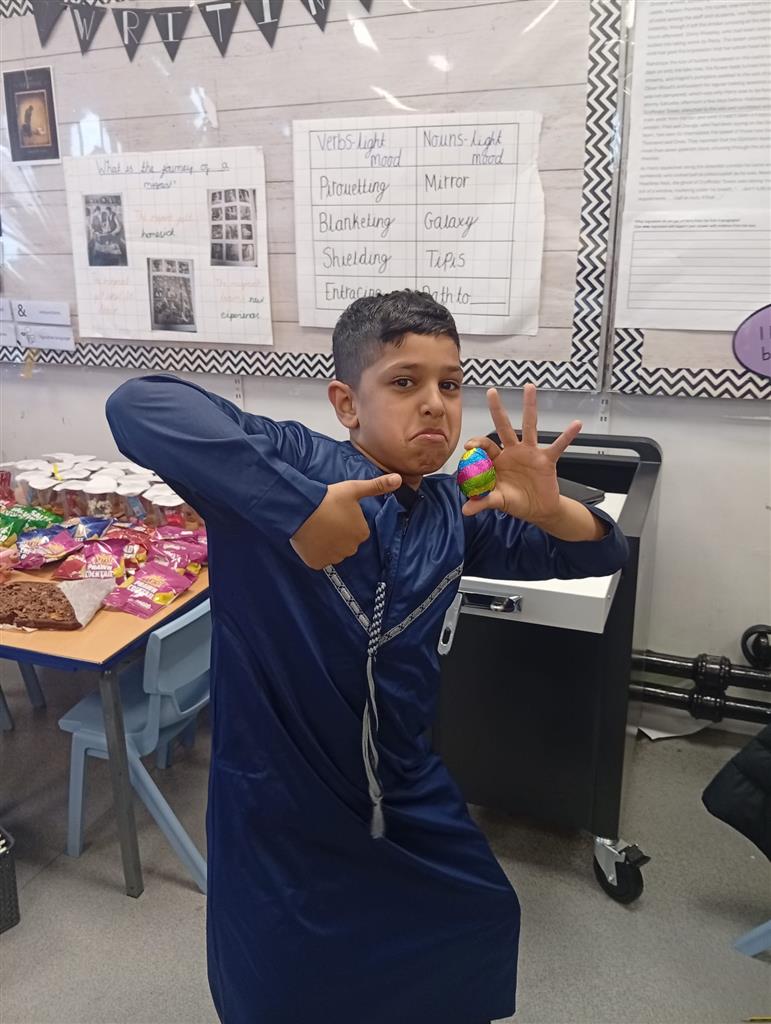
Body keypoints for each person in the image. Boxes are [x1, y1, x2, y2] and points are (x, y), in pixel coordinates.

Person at [106, 289, 629, 1024]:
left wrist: (555, 512)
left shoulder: (456, 513)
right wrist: (298, 510)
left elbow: (596, 555)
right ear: (347, 403)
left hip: (403, 785)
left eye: (450, 384)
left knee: (475, 921)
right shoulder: (295, 463)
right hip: (279, 792)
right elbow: (139, 404)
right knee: (284, 978)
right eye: (405, 381)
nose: (435, 403)